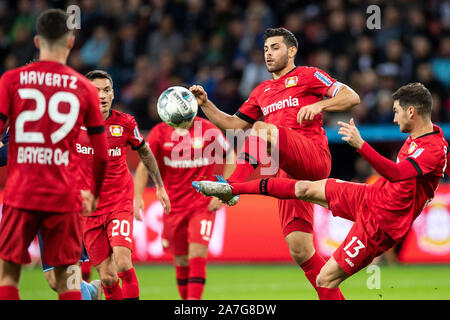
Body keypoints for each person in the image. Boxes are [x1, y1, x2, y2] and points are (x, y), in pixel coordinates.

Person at [194, 82, 448, 299]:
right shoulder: (422, 136)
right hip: (372, 196)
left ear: (411, 111)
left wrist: (361, 145)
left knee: (325, 280)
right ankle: (233, 188)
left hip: (381, 222)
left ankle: (234, 187)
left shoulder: (434, 148)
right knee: (303, 188)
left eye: (397, 112)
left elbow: (396, 173)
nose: (394, 118)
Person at [189, 27, 360, 299]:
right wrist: (206, 104)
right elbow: (233, 124)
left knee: (261, 128)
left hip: (313, 157)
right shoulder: (262, 90)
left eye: (276, 47)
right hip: (287, 172)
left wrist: (319, 106)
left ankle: (230, 187)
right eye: (266, 48)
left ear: (292, 51)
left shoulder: (308, 75)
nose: (269, 53)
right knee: (300, 250)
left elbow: (351, 96)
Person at [0, 9, 108, 300]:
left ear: (36, 41)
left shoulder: (11, 81)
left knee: (8, 275)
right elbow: (101, 154)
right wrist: (94, 194)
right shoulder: (84, 88)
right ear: (71, 42)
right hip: (64, 195)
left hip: (21, 192)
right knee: (67, 279)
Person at [78, 70, 170, 300]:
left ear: (113, 93)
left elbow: (145, 151)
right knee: (108, 277)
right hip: (88, 209)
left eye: (106, 90)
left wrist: (159, 185)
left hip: (118, 201)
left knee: (122, 262)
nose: (101, 95)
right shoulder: (72, 124)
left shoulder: (125, 123)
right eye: (95, 90)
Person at [134, 113, 235, 300]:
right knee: (180, 259)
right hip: (173, 206)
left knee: (197, 253)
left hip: (202, 204)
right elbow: (143, 166)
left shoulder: (208, 130)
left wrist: (224, 189)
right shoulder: (159, 133)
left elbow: (231, 157)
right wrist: (138, 196)